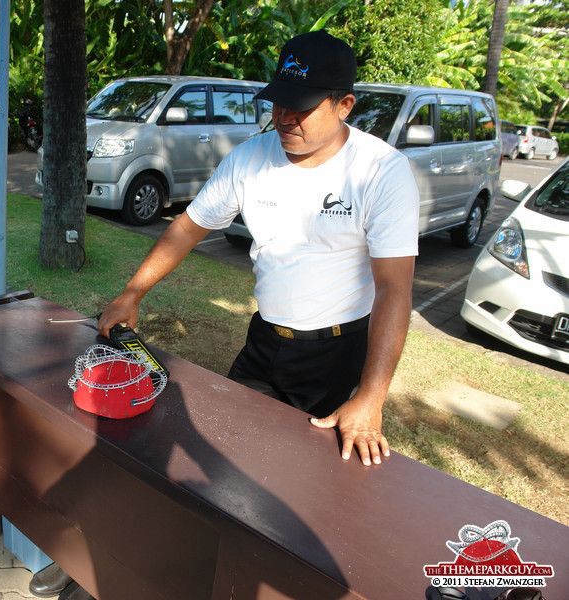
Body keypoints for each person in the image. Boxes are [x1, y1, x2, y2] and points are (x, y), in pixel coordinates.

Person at [98, 30, 419, 468]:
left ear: (344, 105)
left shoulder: (381, 171)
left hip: (338, 353)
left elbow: (394, 287)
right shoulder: (250, 158)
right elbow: (188, 228)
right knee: (228, 457)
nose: (285, 116)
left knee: (310, 479)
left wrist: (370, 396)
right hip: (266, 341)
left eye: (302, 106)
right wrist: (132, 293)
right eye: (279, 101)